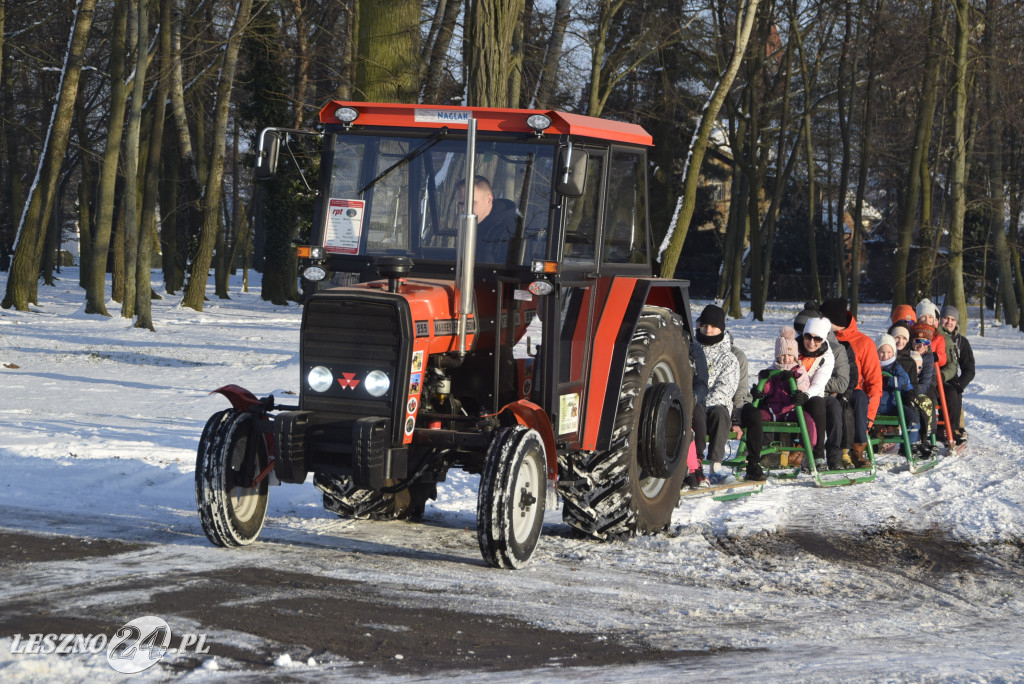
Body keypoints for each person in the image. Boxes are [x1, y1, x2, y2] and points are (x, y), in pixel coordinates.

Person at [820, 298, 882, 468]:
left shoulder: (863, 343)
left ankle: (856, 450)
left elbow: (874, 384)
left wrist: (868, 418)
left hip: (852, 393)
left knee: (857, 398)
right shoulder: (815, 338)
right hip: (822, 390)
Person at [794, 304, 849, 470]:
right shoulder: (794, 348)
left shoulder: (829, 356)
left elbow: (821, 382)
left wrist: (806, 392)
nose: (811, 342)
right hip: (793, 391)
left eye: (817, 339)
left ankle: (821, 454)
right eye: (808, 337)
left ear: (823, 339)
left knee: (822, 404)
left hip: (814, 394)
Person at [691, 304, 740, 484]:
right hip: (692, 402)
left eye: (713, 326)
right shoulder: (691, 350)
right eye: (704, 325)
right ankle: (692, 466)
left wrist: (702, 401)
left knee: (720, 413)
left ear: (721, 328)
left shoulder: (728, 358)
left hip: (712, 405)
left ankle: (715, 465)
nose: (708, 330)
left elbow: (725, 388)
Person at [917, 298, 959, 444]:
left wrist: (934, 356)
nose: (927, 320)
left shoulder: (939, 337)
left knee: (938, 395)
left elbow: (944, 359)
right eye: (924, 317)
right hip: (915, 375)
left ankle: (938, 432)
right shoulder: (913, 333)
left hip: (934, 376)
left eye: (930, 317)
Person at [727, 334, 766, 482]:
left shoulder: (737, 356)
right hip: (715, 405)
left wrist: (735, 418)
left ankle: (753, 463)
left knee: (754, 415)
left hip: (737, 405)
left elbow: (740, 389)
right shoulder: (700, 352)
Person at [457, 175, 519, 263]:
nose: (463, 209)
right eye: (461, 204)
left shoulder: (509, 231)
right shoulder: (471, 226)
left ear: (489, 199)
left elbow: (515, 274)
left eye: (471, 203)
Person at [940, 304, 974, 446]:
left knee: (955, 392)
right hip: (932, 377)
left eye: (953, 319)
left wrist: (960, 383)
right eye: (946, 318)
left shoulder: (961, 342)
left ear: (956, 323)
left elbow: (969, 369)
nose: (949, 322)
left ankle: (954, 429)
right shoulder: (934, 336)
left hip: (950, 380)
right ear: (940, 319)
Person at [876, 333, 918, 443]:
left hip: (893, 406)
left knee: (913, 418)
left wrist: (889, 380)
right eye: (882, 352)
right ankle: (869, 443)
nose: (885, 356)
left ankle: (910, 445)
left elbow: (903, 380)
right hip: (875, 407)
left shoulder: (895, 366)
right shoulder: (873, 366)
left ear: (893, 352)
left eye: (889, 352)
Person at [910, 322, 939, 457]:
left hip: (921, 388)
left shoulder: (928, 357)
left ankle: (926, 436)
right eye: (918, 341)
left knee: (927, 401)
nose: (921, 345)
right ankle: (913, 440)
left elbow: (926, 380)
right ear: (912, 341)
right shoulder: (907, 354)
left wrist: (915, 392)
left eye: (926, 342)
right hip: (906, 389)